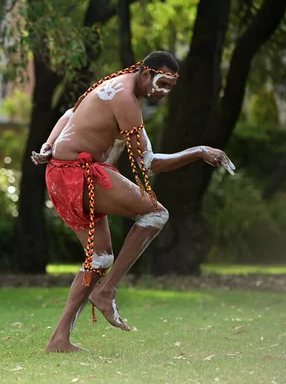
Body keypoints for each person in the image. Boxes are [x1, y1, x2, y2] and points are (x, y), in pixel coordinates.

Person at [31, 51, 235, 353]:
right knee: (156, 215)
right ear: (144, 73)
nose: (163, 93)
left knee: (99, 259)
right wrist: (199, 151)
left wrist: (48, 145)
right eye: (161, 83)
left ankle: (59, 340)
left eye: (169, 88)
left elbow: (68, 115)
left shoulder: (113, 84)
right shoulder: (126, 100)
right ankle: (107, 291)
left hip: (62, 174)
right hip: (78, 174)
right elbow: (151, 163)